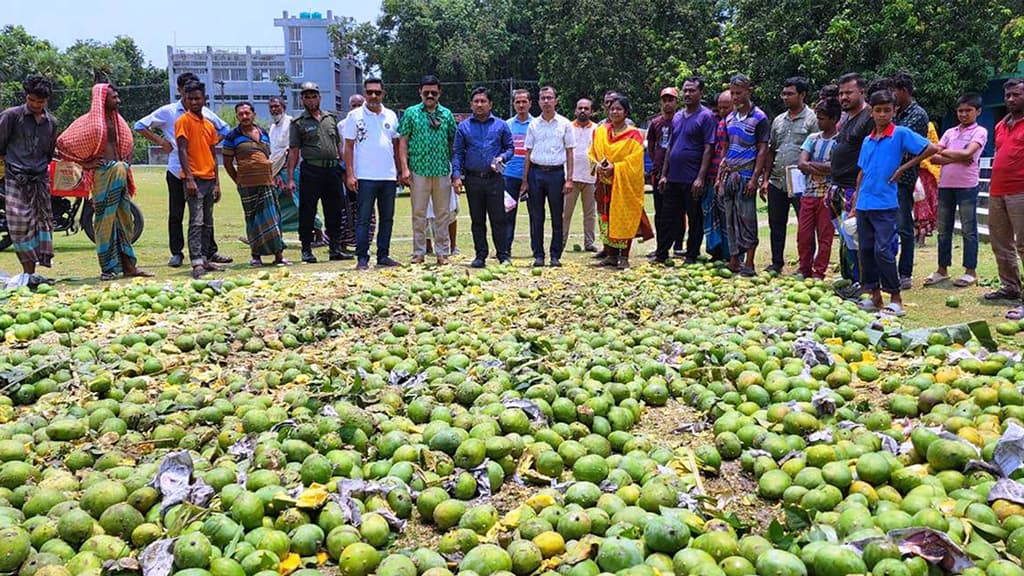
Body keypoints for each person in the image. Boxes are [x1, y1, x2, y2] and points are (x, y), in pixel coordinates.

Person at [852, 89, 937, 316]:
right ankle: (875, 296)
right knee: (866, 251)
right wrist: (855, 199)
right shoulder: (868, 141)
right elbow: (862, 171)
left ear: (894, 111)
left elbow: (931, 148)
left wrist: (903, 168)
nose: (882, 115)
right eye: (878, 110)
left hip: (885, 204)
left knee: (884, 251)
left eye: (886, 110)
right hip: (864, 203)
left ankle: (896, 298)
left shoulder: (900, 134)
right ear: (871, 111)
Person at [56, 83, 152, 280]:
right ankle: (107, 268)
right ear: (101, 99)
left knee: (125, 220)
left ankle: (129, 266)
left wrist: (126, 163)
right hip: (102, 175)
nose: (118, 100)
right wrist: (86, 162)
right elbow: (62, 144)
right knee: (104, 221)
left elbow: (127, 146)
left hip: (119, 174)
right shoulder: (89, 123)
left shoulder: (119, 122)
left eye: (117, 96)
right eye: (113, 97)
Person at [136, 72, 232, 267]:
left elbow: (224, 129)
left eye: (197, 94)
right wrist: (161, 142)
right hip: (176, 170)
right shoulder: (169, 112)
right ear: (180, 91)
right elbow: (140, 125)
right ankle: (177, 252)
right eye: (187, 91)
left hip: (203, 172)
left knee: (204, 216)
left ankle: (208, 252)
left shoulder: (205, 114)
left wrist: (205, 145)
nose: (192, 99)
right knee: (177, 213)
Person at [925, 93, 987, 288]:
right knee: (943, 229)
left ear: (977, 111)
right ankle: (942, 269)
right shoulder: (950, 132)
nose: (963, 114)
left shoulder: (980, 132)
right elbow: (933, 157)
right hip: (945, 185)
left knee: (969, 229)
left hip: (967, 186)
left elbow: (968, 153)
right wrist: (958, 157)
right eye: (960, 110)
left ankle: (970, 271)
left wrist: (952, 153)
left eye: (968, 110)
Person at [343, 78, 402, 270]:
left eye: (377, 92)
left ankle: (383, 255)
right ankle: (362, 257)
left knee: (387, 218)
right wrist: (350, 174)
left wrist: (400, 171)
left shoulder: (391, 115)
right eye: (370, 92)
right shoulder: (354, 116)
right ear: (365, 93)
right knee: (363, 218)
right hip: (365, 176)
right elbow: (348, 147)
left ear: (383, 93)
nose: (373, 96)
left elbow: (396, 144)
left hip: (388, 176)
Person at [286, 82, 348, 264]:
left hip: (332, 170)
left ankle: (335, 248)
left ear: (319, 97)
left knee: (334, 210)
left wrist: (344, 168)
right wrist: (290, 178)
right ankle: (306, 249)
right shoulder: (298, 123)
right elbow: (294, 151)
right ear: (302, 99)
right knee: (307, 211)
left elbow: (339, 145)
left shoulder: (330, 118)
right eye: (307, 96)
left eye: (314, 96)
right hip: (311, 170)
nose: (311, 99)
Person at [398, 75, 458, 265]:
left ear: (439, 93)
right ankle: (418, 253)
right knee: (419, 213)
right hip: (418, 171)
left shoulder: (446, 114)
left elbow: (453, 143)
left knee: (442, 214)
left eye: (434, 92)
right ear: (420, 92)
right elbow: (403, 141)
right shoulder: (411, 113)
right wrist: (404, 168)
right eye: (426, 92)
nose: (430, 95)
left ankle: (442, 253)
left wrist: (454, 169)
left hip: (441, 170)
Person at [452, 87, 514, 268]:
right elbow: (457, 153)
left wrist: (503, 157)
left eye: (483, 101)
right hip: (473, 180)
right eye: (476, 101)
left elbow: (510, 148)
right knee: (477, 220)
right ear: (471, 104)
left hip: (495, 179)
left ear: (490, 104)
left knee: (498, 219)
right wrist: (457, 176)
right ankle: (480, 255)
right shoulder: (463, 127)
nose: (479, 105)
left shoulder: (501, 125)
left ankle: (503, 254)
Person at [221, 102, 288, 268]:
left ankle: (278, 255)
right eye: (241, 114)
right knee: (253, 220)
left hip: (267, 182)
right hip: (247, 185)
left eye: (247, 113)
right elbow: (228, 163)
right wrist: (238, 180)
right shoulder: (232, 137)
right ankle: (256, 256)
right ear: (237, 117)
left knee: (274, 219)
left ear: (254, 115)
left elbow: (268, 157)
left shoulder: (263, 133)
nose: (244, 117)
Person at [657, 78, 715, 264]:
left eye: (692, 90)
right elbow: (670, 147)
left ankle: (691, 254)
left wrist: (700, 177)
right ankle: (662, 253)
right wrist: (664, 174)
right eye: (685, 90)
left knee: (694, 217)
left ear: (700, 93)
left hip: (692, 178)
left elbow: (708, 148)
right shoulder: (677, 116)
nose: (688, 94)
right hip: (673, 177)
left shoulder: (706, 116)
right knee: (668, 217)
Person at [716, 74, 770, 276]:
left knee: (747, 218)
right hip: (730, 173)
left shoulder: (760, 118)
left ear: (749, 91)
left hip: (746, 174)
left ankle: (749, 262)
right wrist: (720, 176)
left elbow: (762, 149)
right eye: (733, 93)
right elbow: (726, 147)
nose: (736, 97)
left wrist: (755, 178)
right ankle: (733, 260)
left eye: (739, 93)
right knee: (729, 218)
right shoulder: (729, 118)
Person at [589, 95, 651, 270]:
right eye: (612, 109)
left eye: (618, 109)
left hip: (624, 185)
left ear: (626, 112)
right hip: (603, 184)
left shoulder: (633, 135)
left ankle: (623, 257)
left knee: (623, 218)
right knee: (605, 218)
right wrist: (598, 165)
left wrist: (615, 168)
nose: (614, 112)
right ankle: (610, 255)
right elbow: (592, 153)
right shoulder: (600, 131)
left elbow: (635, 161)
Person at [764, 76, 818, 273]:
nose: (785, 97)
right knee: (776, 223)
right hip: (777, 180)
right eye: (784, 93)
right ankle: (776, 262)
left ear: (802, 95)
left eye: (790, 94)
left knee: (805, 225)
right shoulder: (779, 120)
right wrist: (766, 178)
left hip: (802, 181)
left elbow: (818, 148)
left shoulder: (812, 119)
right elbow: (771, 150)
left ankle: (806, 265)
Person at [174, 81, 225, 279]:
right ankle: (195, 261)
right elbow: (182, 150)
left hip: (209, 178)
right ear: (185, 100)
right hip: (194, 178)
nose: (194, 102)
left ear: (204, 99)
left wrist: (217, 182)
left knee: (208, 222)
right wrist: (189, 179)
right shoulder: (183, 121)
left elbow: (213, 154)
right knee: (196, 221)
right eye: (190, 98)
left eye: (198, 98)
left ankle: (205, 257)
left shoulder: (208, 125)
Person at [829, 73, 875, 289]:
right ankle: (852, 279)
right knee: (846, 239)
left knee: (858, 239)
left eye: (849, 92)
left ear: (862, 93)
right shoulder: (846, 119)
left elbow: (871, 159)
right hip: (838, 187)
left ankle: (865, 283)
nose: (843, 97)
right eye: (841, 93)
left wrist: (859, 191)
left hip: (855, 189)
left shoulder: (869, 118)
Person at [521, 86, 575, 267]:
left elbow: (569, 153)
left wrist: (569, 179)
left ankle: (555, 255)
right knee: (536, 216)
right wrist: (525, 180)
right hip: (536, 173)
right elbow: (527, 153)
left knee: (556, 216)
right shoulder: (533, 124)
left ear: (556, 100)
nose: (546, 101)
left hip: (556, 174)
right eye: (543, 98)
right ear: (538, 102)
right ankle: (538, 254)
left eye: (549, 98)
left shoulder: (565, 124)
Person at [986, 78, 1024, 318]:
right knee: (1001, 243)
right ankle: (1010, 287)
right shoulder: (1000, 125)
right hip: (997, 191)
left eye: (1016, 95)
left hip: (1021, 191)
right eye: (1008, 95)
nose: (1010, 99)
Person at [891, 72, 930, 289]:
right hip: (888, 177)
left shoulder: (917, 115)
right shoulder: (897, 112)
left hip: (904, 177)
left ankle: (904, 273)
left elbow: (906, 146)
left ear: (903, 91)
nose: (892, 95)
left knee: (904, 225)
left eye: (894, 91)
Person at [796, 97, 841, 279]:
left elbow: (835, 167)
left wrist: (811, 165)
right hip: (809, 193)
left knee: (825, 236)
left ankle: (819, 271)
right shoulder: (812, 138)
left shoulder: (840, 141)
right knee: (804, 235)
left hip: (828, 196)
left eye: (822, 118)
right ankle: (804, 268)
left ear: (834, 119)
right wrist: (822, 167)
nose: (818, 121)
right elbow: (801, 163)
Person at [647, 87, 681, 259]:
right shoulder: (655, 123)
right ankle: (661, 246)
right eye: (664, 100)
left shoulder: (681, 120)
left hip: (677, 173)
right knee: (660, 212)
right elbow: (651, 145)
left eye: (671, 100)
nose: (667, 104)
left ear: (677, 102)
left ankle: (678, 245)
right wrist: (656, 164)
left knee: (677, 212)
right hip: (659, 173)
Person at [564, 98, 598, 253]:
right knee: (565, 213)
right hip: (570, 178)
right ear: (575, 111)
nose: (583, 111)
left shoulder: (598, 130)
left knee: (590, 214)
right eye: (580, 108)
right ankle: (561, 242)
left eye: (586, 108)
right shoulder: (567, 127)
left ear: (591, 111)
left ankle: (589, 243)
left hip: (591, 178)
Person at [703, 90, 733, 261]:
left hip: (728, 177)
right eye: (719, 108)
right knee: (711, 215)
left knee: (728, 218)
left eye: (726, 107)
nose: (722, 111)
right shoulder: (719, 124)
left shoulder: (734, 124)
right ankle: (715, 252)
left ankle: (731, 254)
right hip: (712, 176)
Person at [504, 89, 533, 255]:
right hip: (509, 177)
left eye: (524, 102)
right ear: (514, 104)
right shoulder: (507, 125)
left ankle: (537, 251)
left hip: (532, 177)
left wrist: (527, 179)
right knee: (507, 215)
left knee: (535, 215)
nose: (521, 105)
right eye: (518, 102)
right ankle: (505, 250)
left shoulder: (536, 124)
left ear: (530, 103)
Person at [337, 93, 366, 252]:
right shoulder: (342, 124)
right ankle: (345, 241)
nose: (356, 108)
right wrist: (347, 171)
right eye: (353, 105)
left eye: (359, 104)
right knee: (346, 208)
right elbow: (341, 148)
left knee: (364, 208)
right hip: (347, 171)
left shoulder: (369, 121)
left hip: (366, 172)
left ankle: (364, 241)